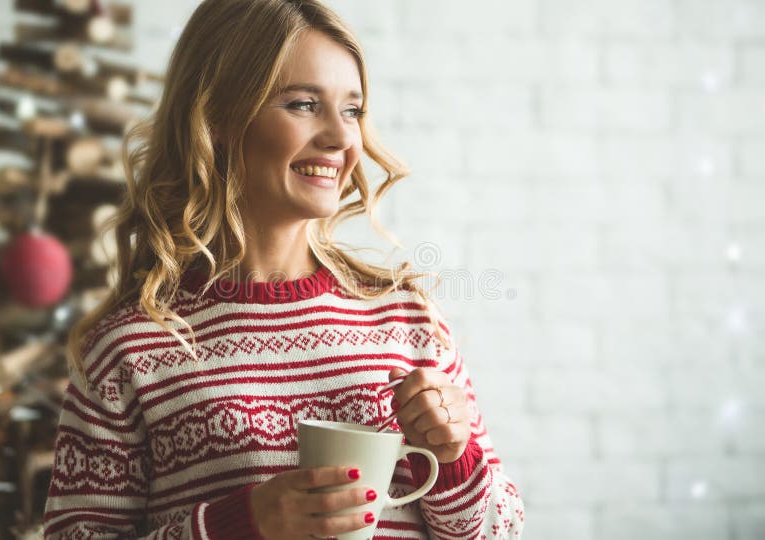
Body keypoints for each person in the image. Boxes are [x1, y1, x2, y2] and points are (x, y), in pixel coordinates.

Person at [43, 0, 525, 538]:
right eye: (302, 104)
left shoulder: (405, 315)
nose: (342, 141)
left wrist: (454, 459)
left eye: (352, 111)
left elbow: (498, 530)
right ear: (219, 117)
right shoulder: (128, 348)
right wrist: (238, 525)